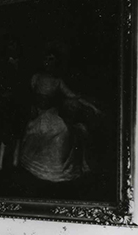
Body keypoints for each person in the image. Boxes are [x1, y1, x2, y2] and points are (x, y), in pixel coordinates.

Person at [17, 51, 101, 183]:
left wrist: (92, 106)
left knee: (63, 130)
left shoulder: (57, 81)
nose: (49, 63)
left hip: (50, 113)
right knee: (40, 128)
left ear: (55, 64)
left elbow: (73, 96)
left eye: (52, 61)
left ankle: (55, 170)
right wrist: (32, 109)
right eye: (46, 60)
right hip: (37, 114)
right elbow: (29, 96)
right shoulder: (36, 77)